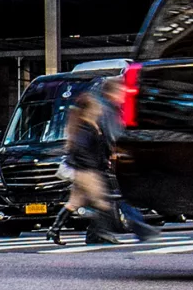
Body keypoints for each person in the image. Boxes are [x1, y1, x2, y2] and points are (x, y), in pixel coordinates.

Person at [57, 80, 150, 245]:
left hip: (90, 168)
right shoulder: (90, 124)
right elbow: (85, 148)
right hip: (89, 170)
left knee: (75, 203)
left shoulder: (92, 123)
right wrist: (97, 164)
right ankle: (103, 233)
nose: (99, 111)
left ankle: (58, 232)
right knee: (103, 202)